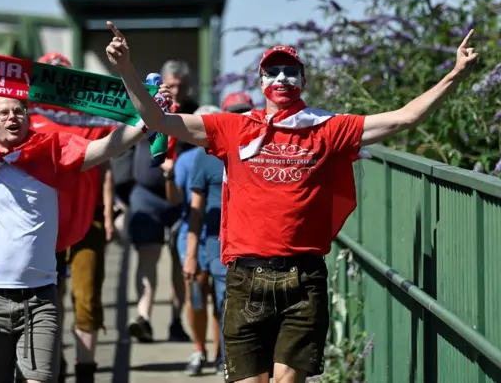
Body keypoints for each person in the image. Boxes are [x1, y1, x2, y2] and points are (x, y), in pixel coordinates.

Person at [105, 23, 478, 383]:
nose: (281, 79)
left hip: (303, 279)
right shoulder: (233, 128)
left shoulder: (328, 128)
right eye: (272, 72)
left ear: (303, 80)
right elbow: (156, 118)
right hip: (247, 278)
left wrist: (456, 73)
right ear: (261, 82)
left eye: (290, 71)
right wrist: (125, 67)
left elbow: (404, 118)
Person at [0, 36, 162, 383]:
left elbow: (112, 144)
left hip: (39, 299)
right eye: (3, 113)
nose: (13, 117)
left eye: (19, 111)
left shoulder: (52, 152)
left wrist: (138, 97)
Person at [34, 52, 117, 383]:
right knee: (49, 296)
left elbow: (106, 166)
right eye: (51, 74)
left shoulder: (91, 115)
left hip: (88, 216)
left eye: (63, 75)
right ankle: (57, 362)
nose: (58, 80)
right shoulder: (29, 114)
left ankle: (86, 372)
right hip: (44, 219)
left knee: (86, 296)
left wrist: (109, 214)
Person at [183, 93, 255, 377]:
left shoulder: (262, 150)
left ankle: (244, 359)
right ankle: (230, 361)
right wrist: (191, 255)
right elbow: (196, 210)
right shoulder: (206, 155)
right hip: (219, 244)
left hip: (256, 241)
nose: (239, 117)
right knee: (228, 300)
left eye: (245, 112)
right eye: (233, 112)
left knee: (251, 302)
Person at [125, 61, 197, 343]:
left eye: (180, 86)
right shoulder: (143, 106)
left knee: (180, 262)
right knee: (147, 256)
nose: (176, 91)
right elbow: (121, 141)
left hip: (182, 198)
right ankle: (143, 316)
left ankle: (177, 321)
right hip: (147, 194)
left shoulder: (195, 111)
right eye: (171, 85)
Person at [163, 104, 222, 376]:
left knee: (223, 299)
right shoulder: (188, 159)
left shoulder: (231, 154)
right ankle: (199, 349)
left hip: (222, 236)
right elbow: (177, 201)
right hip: (192, 233)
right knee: (197, 296)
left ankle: (221, 353)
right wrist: (169, 173)